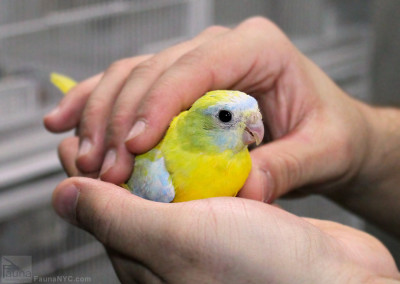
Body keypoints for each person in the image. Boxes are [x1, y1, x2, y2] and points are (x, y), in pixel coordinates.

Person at [44, 17, 400, 283]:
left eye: (254, 117)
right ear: (196, 123)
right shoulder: (162, 175)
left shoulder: (244, 166)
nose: (254, 128)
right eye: (227, 118)